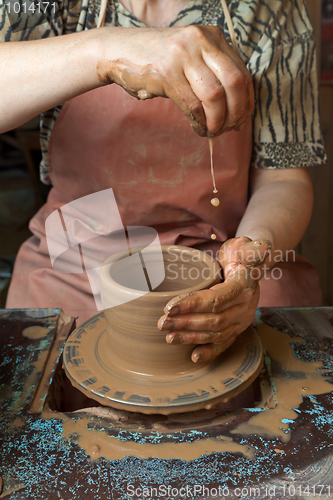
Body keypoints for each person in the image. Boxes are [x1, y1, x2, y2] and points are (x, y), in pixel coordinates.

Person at [3, 0, 326, 363]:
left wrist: (249, 257)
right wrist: (106, 50)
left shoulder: (270, 8)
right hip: (75, 257)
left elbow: (283, 177)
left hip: (223, 261)